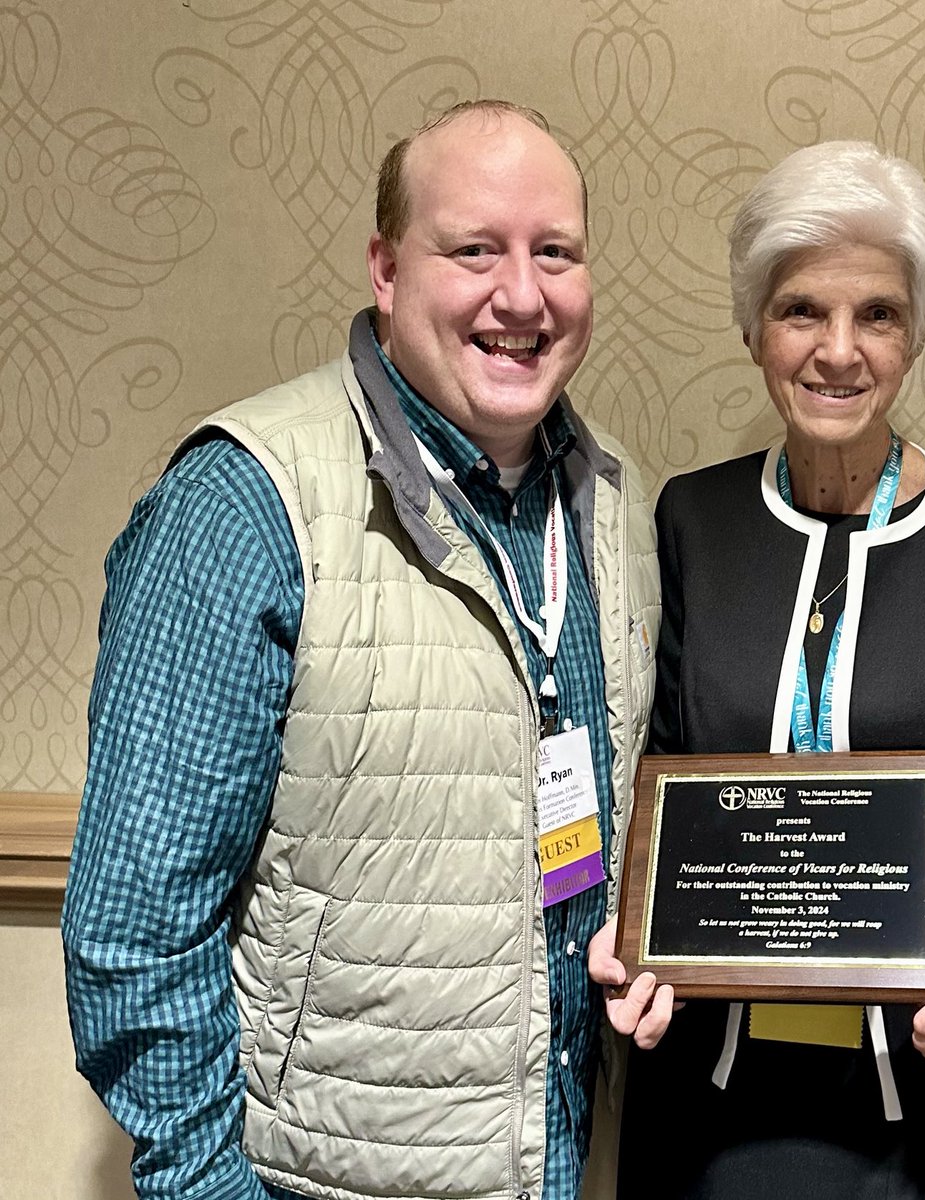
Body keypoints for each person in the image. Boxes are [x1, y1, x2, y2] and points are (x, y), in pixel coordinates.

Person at [62, 100, 659, 1200]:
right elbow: (134, 931)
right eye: (472, 248)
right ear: (386, 269)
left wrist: (636, 939)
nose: (521, 295)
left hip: (555, 1164)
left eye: (555, 252)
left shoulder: (613, 503)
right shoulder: (244, 505)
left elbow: (565, 837)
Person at [589, 140, 925, 1198]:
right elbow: (665, 775)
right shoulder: (692, 518)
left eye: (878, 314)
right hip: (699, 1088)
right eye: (802, 310)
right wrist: (630, 938)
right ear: (753, 329)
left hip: (910, 1097)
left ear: (917, 332)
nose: (838, 350)